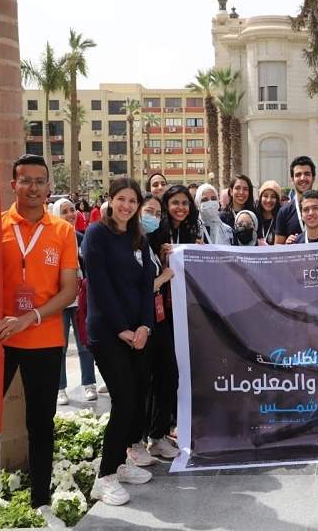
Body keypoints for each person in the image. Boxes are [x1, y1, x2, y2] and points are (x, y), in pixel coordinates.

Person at [0, 154, 78, 526]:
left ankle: (41, 501)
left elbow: (68, 291)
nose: (33, 187)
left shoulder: (62, 231)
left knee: (41, 424)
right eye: (25, 180)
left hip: (44, 340)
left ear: (49, 187)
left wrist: (28, 318)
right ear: (12, 184)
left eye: (40, 181)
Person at [83, 178, 154, 506]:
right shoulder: (97, 233)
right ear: (110, 200)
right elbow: (99, 285)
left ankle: (121, 463)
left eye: (132, 201)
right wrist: (122, 328)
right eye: (121, 199)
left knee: (136, 400)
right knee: (124, 400)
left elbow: (145, 285)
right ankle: (105, 476)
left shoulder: (138, 237)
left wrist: (144, 327)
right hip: (108, 333)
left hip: (136, 334)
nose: (126, 205)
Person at [139, 193, 179, 460]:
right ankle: (135, 443)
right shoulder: (126, 243)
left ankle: (158, 434)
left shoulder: (150, 244)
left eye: (156, 213)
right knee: (142, 384)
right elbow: (138, 288)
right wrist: (163, 276)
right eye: (148, 211)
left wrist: (165, 262)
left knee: (168, 376)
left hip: (159, 318)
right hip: (139, 322)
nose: (152, 217)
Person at [51, 198, 96, 404]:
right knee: (58, 346)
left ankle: (89, 384)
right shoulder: (50, 240)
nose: (70, 214)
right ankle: (60, 388)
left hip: (80, 302)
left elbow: (88, 268)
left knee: (84, 344)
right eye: (64, 211)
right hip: (59, 303)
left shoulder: (81, 237)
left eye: (71, 210)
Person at [275, 156, 318, 244]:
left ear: (313, 177)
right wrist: (286, 245)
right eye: (298, 175)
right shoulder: (284, 212)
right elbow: (277, 246)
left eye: (307, 174)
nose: (303, 178)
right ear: (292, 179)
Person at [256, 180, 282, 245]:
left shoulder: (282, 219)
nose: (268, 200)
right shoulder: (254, 218)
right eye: (265, 196)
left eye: (273, 197)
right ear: (260, 198)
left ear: (278, 200)